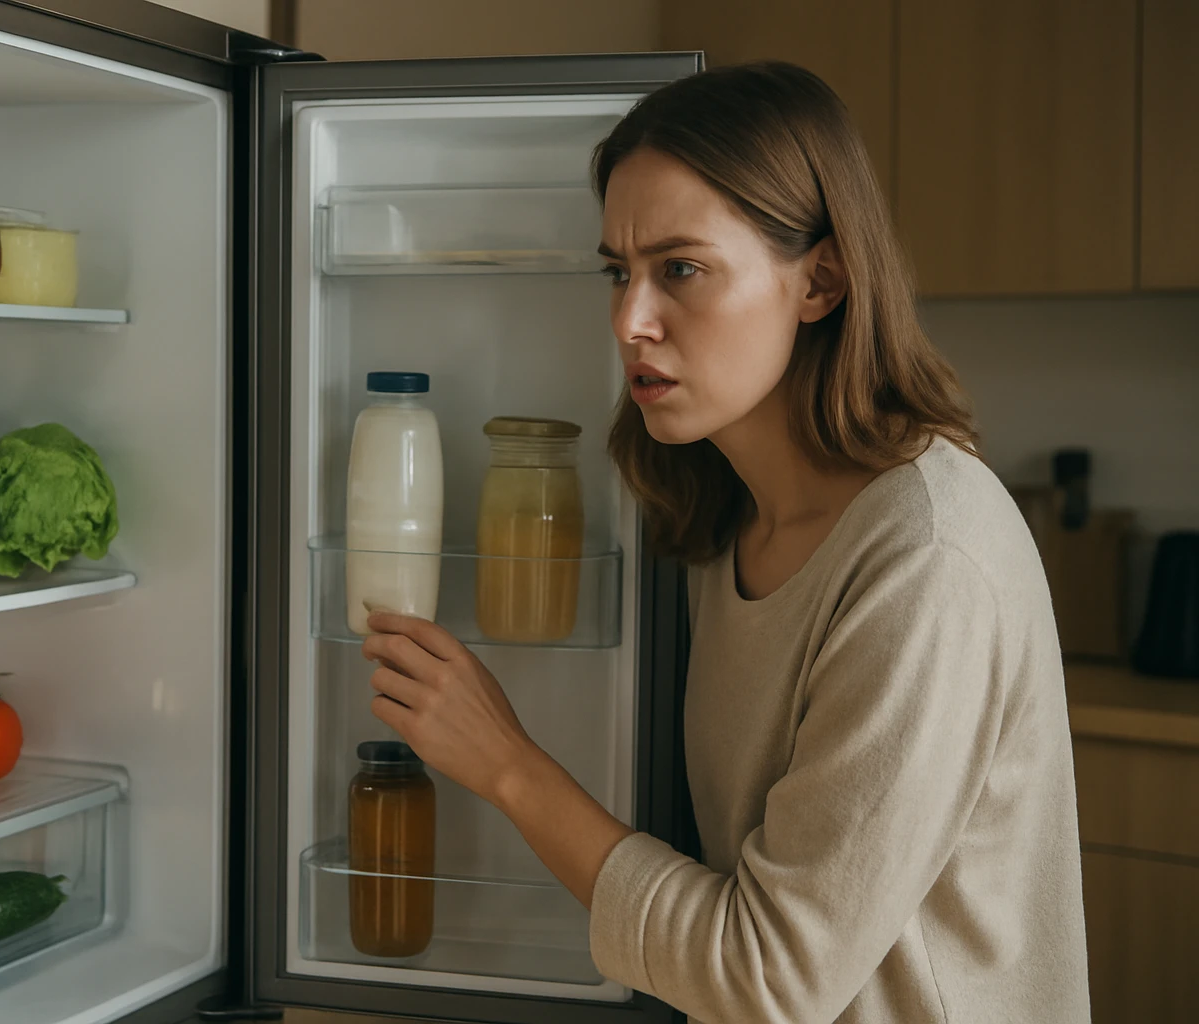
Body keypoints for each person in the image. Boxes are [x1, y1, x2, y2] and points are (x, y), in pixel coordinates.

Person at [361, 62, 1091, 1024]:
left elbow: (768, 977)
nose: (630, 320)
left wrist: (507, 764)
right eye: (618, 271)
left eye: (682, 269)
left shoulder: (925, 558)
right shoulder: (721, 517)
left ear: (819, 281)